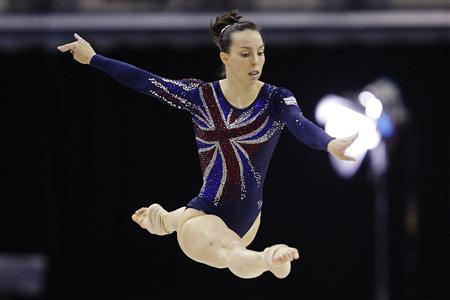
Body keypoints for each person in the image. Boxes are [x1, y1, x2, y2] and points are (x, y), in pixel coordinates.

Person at [57, 9, 357, 279]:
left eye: (261, 52)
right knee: (228, 249)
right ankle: (268, 259)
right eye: (245, 54)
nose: (256, 61)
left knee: (211, 234)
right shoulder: (201, 97)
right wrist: (93, 58)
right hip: (205, 215)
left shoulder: (275, 99)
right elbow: (147, 82)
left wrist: (330, 143)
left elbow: (299, 123)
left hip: (248, 216)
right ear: (225, 58)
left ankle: (160, 219)